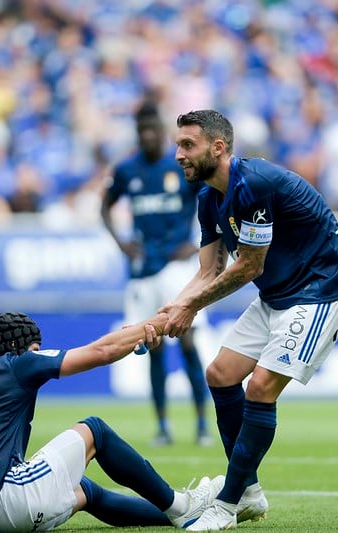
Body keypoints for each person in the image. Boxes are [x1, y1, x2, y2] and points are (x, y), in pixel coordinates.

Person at [161, 109, 338, 531]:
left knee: (261, 387)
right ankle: (248, 493)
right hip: (279, 294)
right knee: (219, 374)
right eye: (178, 144)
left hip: (322, 292)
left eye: (187, 145)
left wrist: (190, 308)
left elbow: (249, 266)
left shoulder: (254, 185)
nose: (178, 154)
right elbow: (208, 271)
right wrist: (168, 310)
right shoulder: (208, 199)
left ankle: (227, 504)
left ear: (218, 148)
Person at [0, 311, 224, 532]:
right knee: (94, 431)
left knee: (84, 490)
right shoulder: (16, 364)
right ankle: (182, 505)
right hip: (12, 500)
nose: (36, 354)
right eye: (34, 350)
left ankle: (187, 517)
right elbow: (101, 351)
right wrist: (161, 322)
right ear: (18, 348)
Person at [101, 100, 212, 447]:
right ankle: (163, 425)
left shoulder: (180, 166)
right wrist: (121, 242)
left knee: (189, 340)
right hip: (143, 269)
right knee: (154, 344)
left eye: (153, 130)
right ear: (137, 133)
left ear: (162, 133)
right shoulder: (126, 170)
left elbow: (211, 197)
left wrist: (198, 242)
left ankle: (202, 424)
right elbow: (105, 205)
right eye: (142, 130)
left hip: (178, 266)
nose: (148, 135)